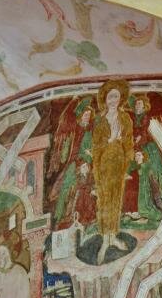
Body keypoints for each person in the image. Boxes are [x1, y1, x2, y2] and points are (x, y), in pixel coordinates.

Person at [92, 79, 134, 264]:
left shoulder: (125, 119)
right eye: (110, 97)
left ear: (120, 98)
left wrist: (127, 166)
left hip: (119, 162)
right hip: (104, 164)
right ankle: (105, 239)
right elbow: (96, 146)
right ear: (105, 99)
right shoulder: (100, 121)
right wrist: (109, 141)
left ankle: (113, 236)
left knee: (116, 199)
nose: (113, 100)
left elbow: (129, 143)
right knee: (104, 199)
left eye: (116, 96)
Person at [49, 97, 95, 227]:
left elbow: (91, 148)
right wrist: (74, 100)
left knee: (86, 187)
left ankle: (83, 215)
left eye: (89, 115)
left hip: (87, 162)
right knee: (66, 186)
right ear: (81, 115)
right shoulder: (76, 128)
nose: (87, 117)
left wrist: (89, 157)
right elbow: (74, 150)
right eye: (85, 114)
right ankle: (61, 216)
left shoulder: (90, 131)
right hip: (75, 161)